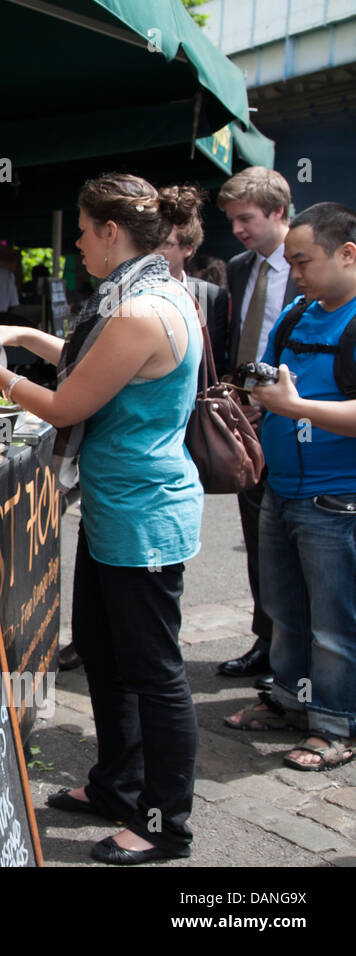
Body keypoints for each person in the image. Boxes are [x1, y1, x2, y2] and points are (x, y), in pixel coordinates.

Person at [0, 173, 204, 864]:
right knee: (103, 649)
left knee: (153, 671)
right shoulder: (143, 295)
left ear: (111, 233)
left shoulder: (138, 311)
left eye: (86, 233)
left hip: (142, 513)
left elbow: (68, 406)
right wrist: (23, 334)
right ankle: (115, 785)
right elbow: (92, 368)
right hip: (116, 506)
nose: (79, 248)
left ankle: (164, 823)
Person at [223, 202, 356, 771]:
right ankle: (291, 702)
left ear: (348, 253)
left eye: (304, 261)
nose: (294, 273)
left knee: (334, 621)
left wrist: (296, 406)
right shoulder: (299, 312)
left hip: (338, 499)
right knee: (283, 609)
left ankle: (334, 724)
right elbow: (269, 378)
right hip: (281, 488)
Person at [215, 167, 300, 685]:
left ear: (278, 213)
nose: (238, 229)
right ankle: (267, 642)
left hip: (299, 422)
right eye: (232, 220)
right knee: (260, 536)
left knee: (302, 543)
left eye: (246, 218)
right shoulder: (240, 267)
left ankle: (299, 656)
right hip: (246, 424)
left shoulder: (315, 264)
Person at [155, 184, 230, 361]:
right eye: (151, 242)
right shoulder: (129, 293)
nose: (155, 250)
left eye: (166, 244)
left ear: (187, 248)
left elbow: (216, 361)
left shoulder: (212, 297)